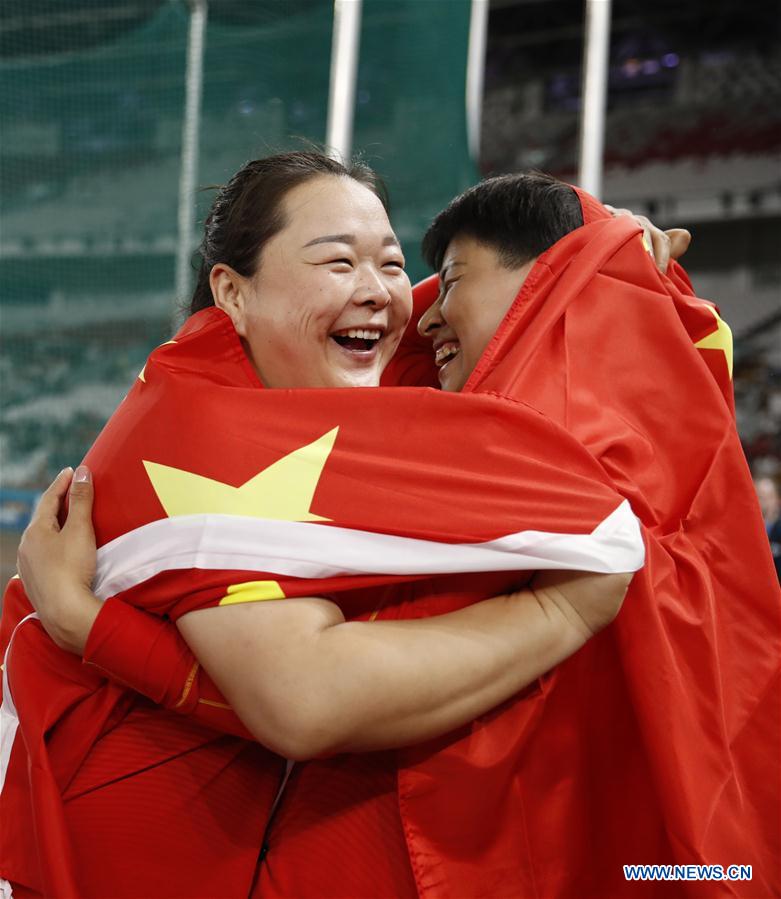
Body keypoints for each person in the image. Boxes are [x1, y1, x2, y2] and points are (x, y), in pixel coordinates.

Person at [1, 153, 643, 899]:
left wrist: (611, 256)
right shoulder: (200, 430)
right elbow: (302, 705)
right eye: (337, 262)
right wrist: (558, 606)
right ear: (232, 293)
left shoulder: (301, 376)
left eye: (392, 263)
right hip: (108, 851)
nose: (376, 292)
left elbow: (480, 310)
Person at [755, 474, 781, 579]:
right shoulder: (746, 532)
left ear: (777, 499)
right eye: (760, 496)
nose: (764, 501)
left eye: (769, 496)